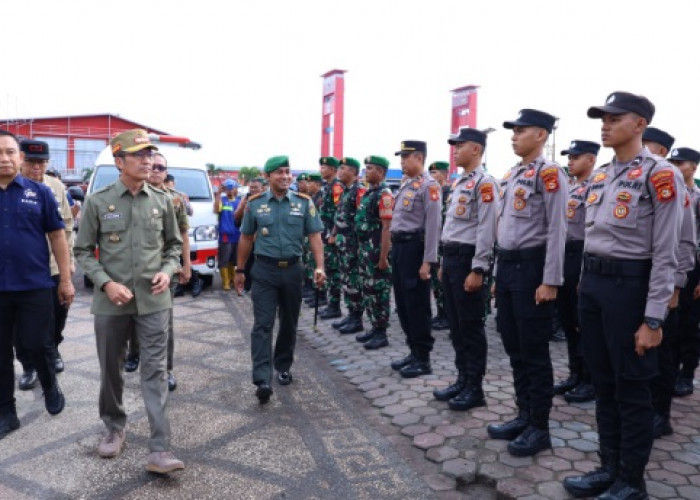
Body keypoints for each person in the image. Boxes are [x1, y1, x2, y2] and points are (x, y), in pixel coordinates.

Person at [562, 92, 683, 499]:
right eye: (603, 117)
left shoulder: (661, 174)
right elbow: (592, 238)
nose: (606, 124)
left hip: (630, 289)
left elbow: (666, 251)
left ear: (640, 124)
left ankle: (632, 480)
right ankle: (608, 467)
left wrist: (653, 319)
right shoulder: (602, 175)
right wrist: (583, 286)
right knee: (603, 382)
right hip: (595, 287)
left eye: (615, 118)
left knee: (631, 387)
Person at [74, 129, 184, 473]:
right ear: (119, 161)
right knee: (111, 370)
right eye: (139, 155)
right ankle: (113, 427)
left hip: (154, 300)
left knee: (156, 371)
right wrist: (106, 284)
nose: (148, 161)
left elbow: (174, 246)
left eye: (150, 155)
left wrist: (168, 270)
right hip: (112, 303)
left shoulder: (163, 200)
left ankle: (160, 449)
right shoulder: (97, 202)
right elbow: (82, 251)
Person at [487, 109, 567, 457]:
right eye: (513, 130)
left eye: (521, 130)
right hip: (507, 269)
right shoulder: (513, 173)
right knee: (513, 345)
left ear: (541, 135)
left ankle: (540, 427)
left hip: (533, 269)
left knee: (534, 351)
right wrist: (495, 274)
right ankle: (523, 414)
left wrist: (550, 280)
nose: (514, 135)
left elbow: (557, 229)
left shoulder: (550, 173)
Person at [234, 156, 325, 404]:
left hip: (293, 270)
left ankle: (283, 365)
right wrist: (240, 270)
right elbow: (246, 238)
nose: (285, 176)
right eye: (279, 173)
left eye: (288, 172)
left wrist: (320, 267)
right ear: (268, 176)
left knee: (288, 322)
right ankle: (262, 379)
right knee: (262, 325)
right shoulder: (255, 204)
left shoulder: (304, 203)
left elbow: (315, 236)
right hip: (264, 271)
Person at [0, 130, 73, 440]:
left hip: (35, 285)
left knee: (37, 343)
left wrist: (66, 280)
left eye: (9, 152)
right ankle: (6, 411)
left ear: (19, 157)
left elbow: (58, 236)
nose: (4, 158)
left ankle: (49, 386)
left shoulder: (39, 192)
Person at [433, 129, 497, 411]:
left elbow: (487, 228)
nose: (455, 151)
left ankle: (475, 387)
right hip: (452, 260)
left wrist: (480, 268)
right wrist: (444, 262)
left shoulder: (485, 183)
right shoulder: (460, 183)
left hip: (470, 261)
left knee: (471, 326)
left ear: (475, 149)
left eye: (459, 146)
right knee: (457, 327)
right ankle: (462, 379)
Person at [642, 129, 696, 439]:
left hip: (667, 282)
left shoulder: (677, 191)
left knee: (665, 353)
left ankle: (661, 415)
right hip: (639, 280)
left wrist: (675, 288)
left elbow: (686, 244)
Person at [15, 140, 74, 389]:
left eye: (42, 162)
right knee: (21, 323)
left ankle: (53, 350)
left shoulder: (56, 187)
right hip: (21, 270)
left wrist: (67, 264)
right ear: (20, 160)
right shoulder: (9, 187)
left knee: (57, 315)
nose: (37, 167)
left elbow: (67, 226)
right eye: (31, 162)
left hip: (52, 266)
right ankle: (29, 365)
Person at [551, 140, 600, 405]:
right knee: (568, 320)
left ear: (591, 160)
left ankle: (589, 379)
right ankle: (574, 374)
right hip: (565, 254)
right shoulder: (570, 187)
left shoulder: (595, 187)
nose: (570, 161)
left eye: (576, 157)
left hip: (582, 254)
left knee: (584, 323)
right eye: (569, 157)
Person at [389, 140, 442, 378]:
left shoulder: (429, 186)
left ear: (419, 158)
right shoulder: (408, 184)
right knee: (403, 304)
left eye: (405, 157)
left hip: (415, 250)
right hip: (401, 249)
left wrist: (428, 261)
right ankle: (413, 351)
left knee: (417, 306)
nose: (401, 161)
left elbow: (433, 226)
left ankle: (423, 358)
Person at [143, 152, 191, 392]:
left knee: (164, 322)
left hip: (166, 270)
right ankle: (138, 359)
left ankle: (166, 369)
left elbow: (183, 234)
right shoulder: (132, 196)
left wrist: (186, 265)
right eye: (152, 166)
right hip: (137, 270)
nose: (155, 171)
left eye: (160, 168)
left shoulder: (175, 200)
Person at [668, 147, 700, 399]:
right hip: (671, 263)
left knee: (689, 323)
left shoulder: (697, 197)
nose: (677, 167)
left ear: (694, 167)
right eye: (673, 162)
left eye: (682, 163)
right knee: (672, 322)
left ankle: (687, 373)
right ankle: (670, 369)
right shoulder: (670, 193)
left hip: (694, 268)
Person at [354, 156, 393, 349]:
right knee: (368, 291)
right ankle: (373, 327)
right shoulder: (370, 193)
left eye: (369, 168)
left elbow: (387, 228)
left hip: (376, 253)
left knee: (379, 292)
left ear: (381, 172)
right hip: (365, 252)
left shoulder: (384, 195)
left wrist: (384, 257)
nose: (365, 171)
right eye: (365, 168)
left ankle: (381, 332)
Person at [330, 157, 367, 334]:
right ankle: (351, 313)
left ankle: (357, 318)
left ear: (353, 171)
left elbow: (362, 219)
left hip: (353, 245)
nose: (340, 171)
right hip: (343, 244)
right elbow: (341, 216)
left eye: (343, 168)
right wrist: (334, 233)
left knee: (354, 280)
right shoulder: (345, 191)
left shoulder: (359, 191)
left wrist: (359, 245)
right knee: (346, 279)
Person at [316, 157, 344, 318]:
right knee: (329, 269)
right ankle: (331, 303)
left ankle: (335, 306)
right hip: (324, 234)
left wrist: (333, 234)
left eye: (325, 167)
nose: (321, 170)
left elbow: (338, 212)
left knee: (334, 271)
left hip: (332, 236)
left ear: (333, 170)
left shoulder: (336, 187)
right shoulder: (327, 187)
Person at [427, 161, 451, 331]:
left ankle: (448, 315)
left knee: (444, 282)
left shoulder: (450, 193)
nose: (432, 176)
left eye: (434, 173)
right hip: (435, 244)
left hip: (446, 244)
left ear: (444, 175)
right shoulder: (434, 193)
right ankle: (441, 313)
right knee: (436, 282)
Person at [234, 177, 264, 294]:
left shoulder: (266, 201)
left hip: (262, 240)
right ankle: (247, 286)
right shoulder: (247, 199)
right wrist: (243, 205)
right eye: (251, 188)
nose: (253, 190)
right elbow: (236, 217)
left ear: (262, 188)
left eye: (256, 188)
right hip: (248, 238)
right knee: (247, 263)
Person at [214, 179, 241, 291]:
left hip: (237, 235)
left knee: (234, 260)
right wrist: (218, 194)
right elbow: (216, 210)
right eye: (228, 188)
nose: (230, 191)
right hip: (225, 235)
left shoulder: (239, 202)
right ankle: (225, 282)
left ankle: (232, 279)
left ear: (236, 189)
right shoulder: (222, 200)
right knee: (224, 259)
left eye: (232, 188)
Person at [302, 173, 324, 301]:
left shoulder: (322, 196)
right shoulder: (311, 197)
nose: (307, 185)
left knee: (318, 263)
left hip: (320, 235)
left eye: (310, 183)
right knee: (309, 262)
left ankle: (320, 294)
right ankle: (311, 288)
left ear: (317, 184)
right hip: (310, 235)